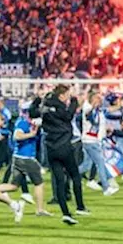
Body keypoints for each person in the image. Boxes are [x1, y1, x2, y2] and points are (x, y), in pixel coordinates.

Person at [31, 85, 87, 225]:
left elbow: (32, 112)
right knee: (74, 175)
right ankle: (80, 206)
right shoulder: (59, 106)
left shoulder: (44, 107)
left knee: (59, 181)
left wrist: (37, 99)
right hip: (64, 146)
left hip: (50, 148)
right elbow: (68, 116)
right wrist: (74, 102)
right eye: (67, 95)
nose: (68, 98)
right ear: (61, 96)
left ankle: (65, 213)